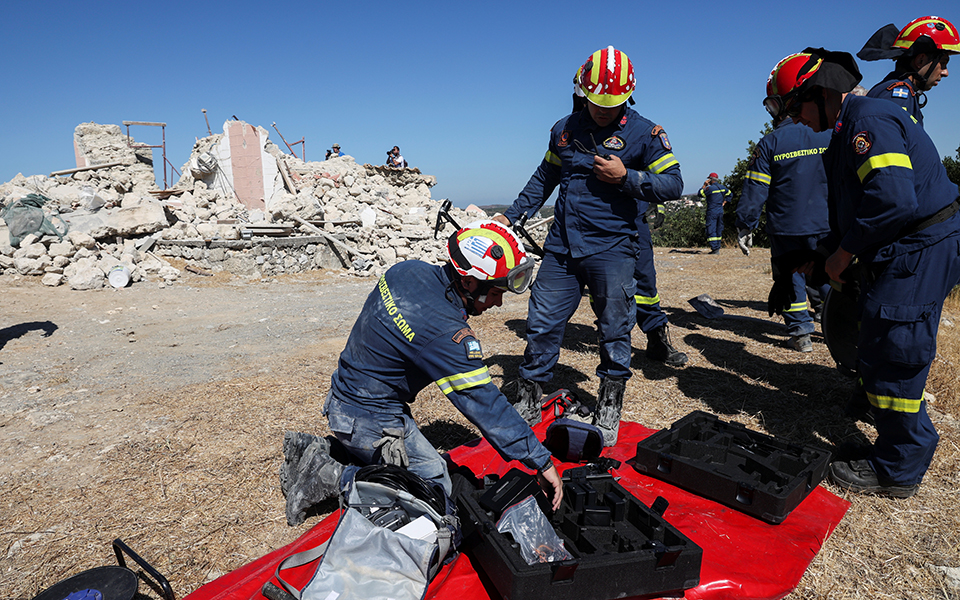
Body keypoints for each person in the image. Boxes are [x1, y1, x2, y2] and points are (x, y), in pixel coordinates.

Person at [763, 48, 960, 497]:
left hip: (921, 248)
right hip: (906, 246)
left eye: (797, 107)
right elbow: (852, 213)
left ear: (822, 92)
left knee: (896, 350)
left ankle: (897, 468)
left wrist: (843, 254)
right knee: (876, 344)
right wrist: (818, 257)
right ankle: (889, 438)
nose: (796, 120)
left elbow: (893, 201)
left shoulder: (868, 120)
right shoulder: (844, 132)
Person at [280, 220, 563, 525]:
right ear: (468, 282)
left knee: (417, 469)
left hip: (347, 396)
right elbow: (486, 405)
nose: (498, 302)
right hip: (369, 415)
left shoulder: (408, 270)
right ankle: (330, 474)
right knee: (432, 491)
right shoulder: (446, 333)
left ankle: (318, 449)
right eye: (495, 292)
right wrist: (541, 460)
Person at [494, 46, 684, 446]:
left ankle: (610, 404)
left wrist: (627, 176)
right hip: (562, 247)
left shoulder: (646, 133)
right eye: (596, 101)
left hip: (612, 248)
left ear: (627, 96)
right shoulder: (564, 128)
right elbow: (544, 177)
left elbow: (673, 185)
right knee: (541, 323)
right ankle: (528, 398)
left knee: (614, 329)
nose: (601, 110)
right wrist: (510, 217)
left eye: (610, 103)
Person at [737, 64, 832, 353]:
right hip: (828, 224)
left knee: (790, 278)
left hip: (787, 226)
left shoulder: (770, 142)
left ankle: (801, 333)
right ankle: (833, 326)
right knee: (829, 274)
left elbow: (755, 190)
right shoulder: (829, 134)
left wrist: (745, 223)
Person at [857, 16, 959, 127]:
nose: (946, 73)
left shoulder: (893, 91)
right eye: (943, 64)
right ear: (920, 60)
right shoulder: (898, 97)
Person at [698, 174, 730, 254]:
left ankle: (714, 248)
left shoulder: (709, 188)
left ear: (711, 180)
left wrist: (704, 185)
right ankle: (717, 247)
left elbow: (700, 194)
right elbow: (729, 194)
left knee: (711, 229)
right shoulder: (722, 187)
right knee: (718, 228)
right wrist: (725, 202)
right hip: (720, 211)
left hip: (712, 211)